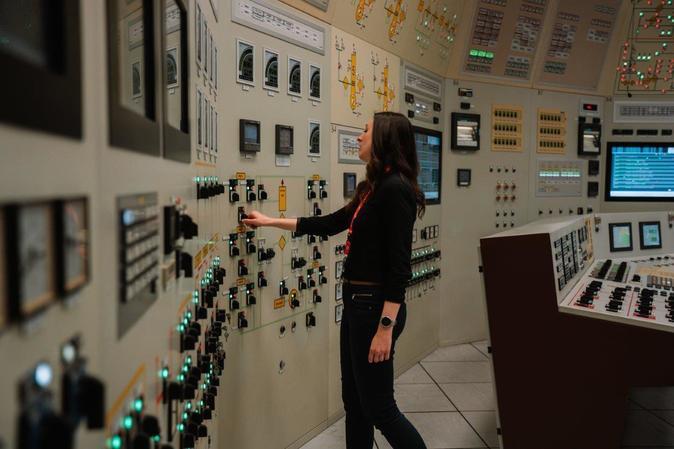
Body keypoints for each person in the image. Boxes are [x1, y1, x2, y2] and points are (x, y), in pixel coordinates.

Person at [243, 111, 427, 449]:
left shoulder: (395, 190)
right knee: (355, 405)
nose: (359, 136)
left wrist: (385, 328)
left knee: (380, 409)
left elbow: (400, 268)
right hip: (358, 305)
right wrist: (269, 221)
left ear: (383, 138)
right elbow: (329, 224)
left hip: (375, 311)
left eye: (366, 130)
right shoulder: (373, 189)